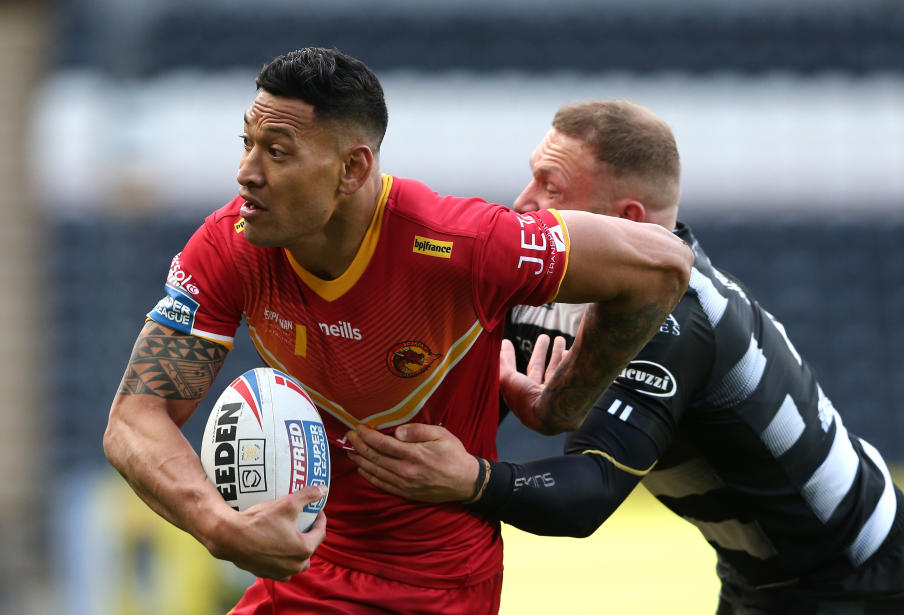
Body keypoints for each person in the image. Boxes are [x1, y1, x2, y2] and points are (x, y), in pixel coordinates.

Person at [101, 50, 693, 613]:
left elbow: (663, 265)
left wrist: (561, 406)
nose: (246, 174)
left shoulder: (464, 244)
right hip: (305, 571)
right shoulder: (231, 244)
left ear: (352, 169)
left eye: (277, 152)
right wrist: (218, 523)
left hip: (436, 588)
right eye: (248, 144)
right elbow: (134, 417)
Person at [346, 99, 904, 614]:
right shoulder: (547, 284)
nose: (524, 203)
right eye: (531, 178)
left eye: (551, 187)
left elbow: (587, 494)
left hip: (855, 571)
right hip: (761, 572)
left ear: (625, 219)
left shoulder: (676, 318)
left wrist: (474, 480)